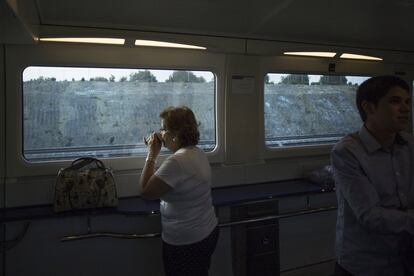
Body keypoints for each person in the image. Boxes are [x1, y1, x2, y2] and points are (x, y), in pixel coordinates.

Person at [331, 75, 414, 276]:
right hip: (365, 264)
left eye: (407, 102)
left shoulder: (410, 144)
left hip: (407, 259)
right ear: (369, 107)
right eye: (395, 101)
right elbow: (371, 216)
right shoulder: (347, 152)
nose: (405, 108)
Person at [139, 106, 219, 276]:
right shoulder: (197, 153)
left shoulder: (177, 161)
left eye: (163, 128)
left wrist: (152, 154)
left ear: (175, 133)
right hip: (207, 232)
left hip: (186, 242)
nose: (161, 133)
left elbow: (146, 191)